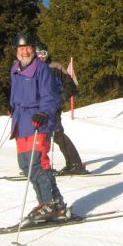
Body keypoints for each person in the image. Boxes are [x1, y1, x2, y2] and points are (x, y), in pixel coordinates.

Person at [9, 32, 68, 222]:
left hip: (38, 121)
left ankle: (49, 203)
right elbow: (16, 94)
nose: (25, 52)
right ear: (16, 51)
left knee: (38, 163)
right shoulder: (15, 69)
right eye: (21, 48)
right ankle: (52, 203)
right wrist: (12, 107)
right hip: (21, 122)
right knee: (26, 166)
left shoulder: (41, 69)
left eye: (28, 48)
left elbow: (50, 96)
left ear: (34, 49)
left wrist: (45, 112)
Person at [35, 42, 88, 175]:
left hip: (52, 107)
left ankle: (75, 164)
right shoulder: (32, 69)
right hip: (36, 108)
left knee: (57, 134)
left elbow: (70, 85)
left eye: (44, 53)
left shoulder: (55, 67)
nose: (41, 57)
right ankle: (37, 165)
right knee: (37, 136)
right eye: (38, 54)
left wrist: (62, 97)